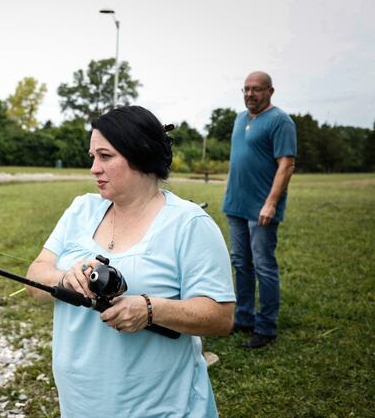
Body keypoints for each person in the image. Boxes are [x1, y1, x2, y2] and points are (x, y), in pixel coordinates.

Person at [26, 106, 235, 417]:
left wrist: (150, 309)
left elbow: (221, 317)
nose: (94, 168)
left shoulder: (190, 224)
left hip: (162, 408)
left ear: (140, 154)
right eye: (92, 157)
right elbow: (35, 276)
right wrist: (64, 280)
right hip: (81, 404)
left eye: (105, 156)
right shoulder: (80, 209)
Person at [223, 71, 297, 349]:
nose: (250, 94)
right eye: (245, 89)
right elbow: (238, 160)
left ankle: (265, 327)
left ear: (270, 91)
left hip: (262, 207)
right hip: (236, 204)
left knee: (263, 265)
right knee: (241, 263)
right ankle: (243, 318)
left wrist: (271, 202)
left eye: (256, 89)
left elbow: (286, 164)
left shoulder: (280, 121)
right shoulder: (240, 119)